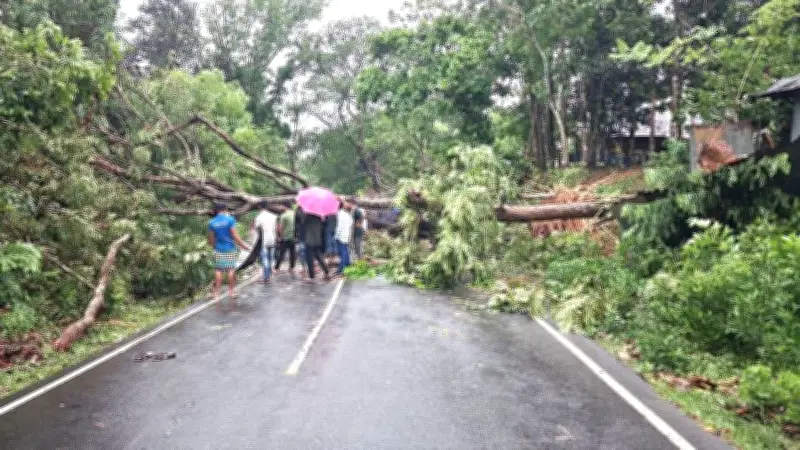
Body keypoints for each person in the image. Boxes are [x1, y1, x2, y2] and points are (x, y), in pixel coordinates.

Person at [208, 203, 250, 308]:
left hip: (218, 248)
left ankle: (216, 293)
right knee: (230, 269)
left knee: (219, 270)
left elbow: (211, 239)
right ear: (225, 209)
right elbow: (234, 235)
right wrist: (243, 245)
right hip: (230, 248)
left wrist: (214, 246)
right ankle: (231, 292)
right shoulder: (230, 220)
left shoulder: (212, 222)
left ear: (216, 211)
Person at [252, 201, 278, 284]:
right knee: (271, 257)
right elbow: (276, 228)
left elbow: (256, 228)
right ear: (267, 206)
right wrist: (277, 238)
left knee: (265, 259)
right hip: (273, 239)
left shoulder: (259, 217)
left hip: (263, 241)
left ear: (259, 207)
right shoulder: (273, 216)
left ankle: (266, 278)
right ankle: (269, 274)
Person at [304, 211, 330, 282]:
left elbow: (302, 223)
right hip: (318, 240)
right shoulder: (320, 218)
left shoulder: (307, 217)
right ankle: (326, 272)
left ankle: (311, 276)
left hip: (309, 240)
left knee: (309, 258)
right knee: (319, 256)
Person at [274, 202, 296, 274]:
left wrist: (280, 236)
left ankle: (276, 268)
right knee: (292, 252)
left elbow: (280, 227)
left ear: (284, 206)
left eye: (281, 205)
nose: (280, 207)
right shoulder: (294, 214)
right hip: (293, 236)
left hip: (285, 237)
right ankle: (292, 268)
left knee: (282, 253)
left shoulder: (283, 216)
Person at [334, 201, 354, 276]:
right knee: (345, 250)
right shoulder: (347, 215)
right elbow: (351, 223)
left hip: (340, 235)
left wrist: (336, 235)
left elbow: (338, 227)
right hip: (347, 234)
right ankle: (347, 264)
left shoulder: (338, 215)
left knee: (342, 252)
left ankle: (341, 268)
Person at [294, 206, 308, 279]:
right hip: (307, 235)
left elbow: (295, 225)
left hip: (302, 236)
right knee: (306, 252)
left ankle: (304, 268)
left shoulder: (298, 211)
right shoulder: (308, 211)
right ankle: (306, 268)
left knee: (302, 252)